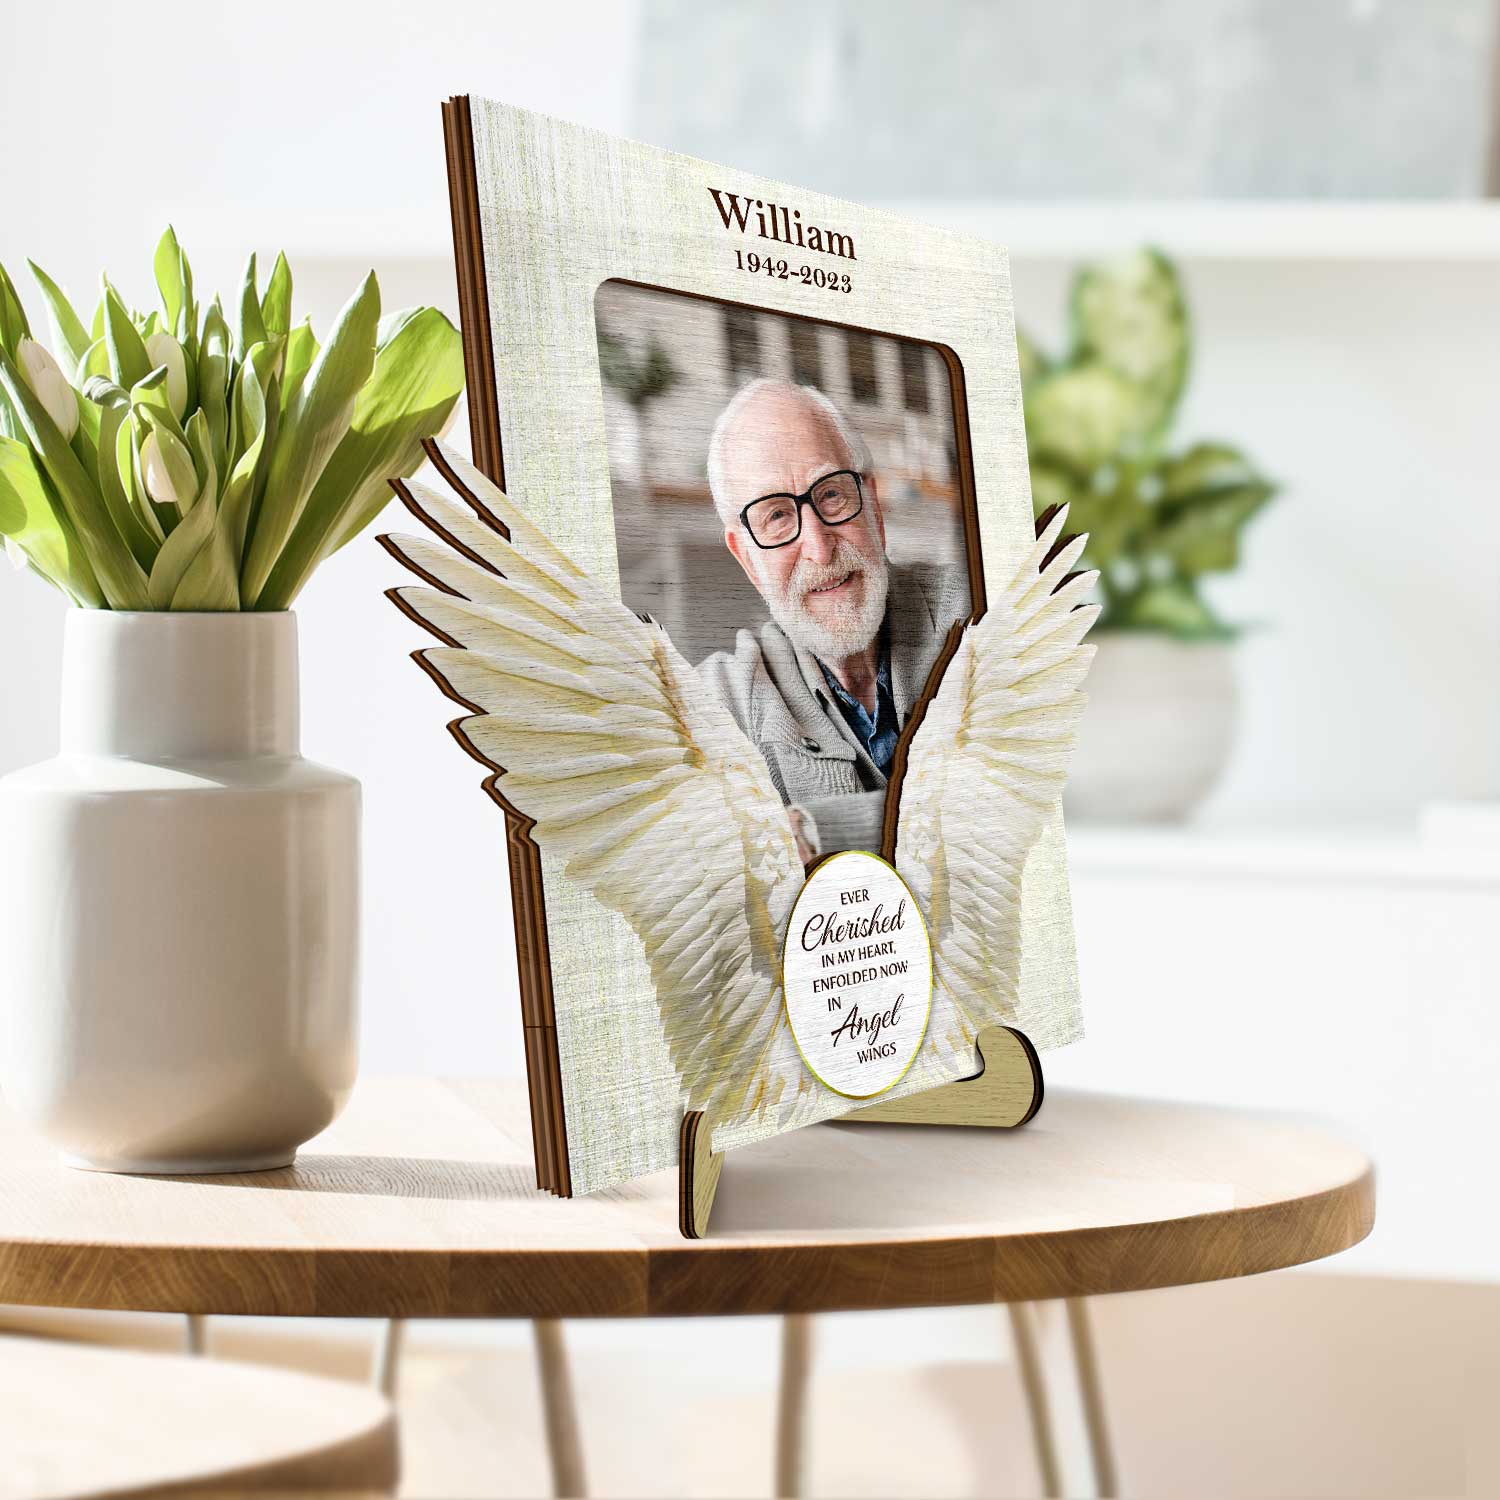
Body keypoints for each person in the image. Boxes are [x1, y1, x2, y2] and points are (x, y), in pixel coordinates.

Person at [698, 378, 970, 859]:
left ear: (874, 508)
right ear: (746, 559)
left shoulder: (978, 616)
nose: (819, 549)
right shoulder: (718, 705)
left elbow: (1014, 801)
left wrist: (811, 831)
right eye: (777, 516)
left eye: (830, 496)